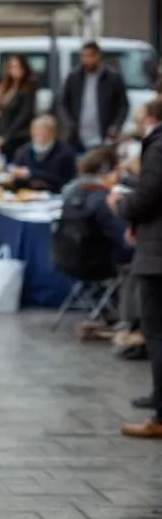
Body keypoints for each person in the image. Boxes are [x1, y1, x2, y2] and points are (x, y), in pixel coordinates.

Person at [108, 96, 162, 438]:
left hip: (157, 253)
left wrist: (121, 206)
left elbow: (149, 195)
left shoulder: (157, 146)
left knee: (157, 330)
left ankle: (160, 415)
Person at [60, 41, 129, 153]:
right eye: (84, 56)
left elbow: (123, 105)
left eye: (90, 56)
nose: (87, 60)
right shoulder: (74, 77)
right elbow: (63, 103)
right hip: (77, 136)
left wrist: (116, 125)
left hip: (103, 136)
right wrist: (69, 124)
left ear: (98, 56)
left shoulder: (112, 78)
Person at [8, 115, 76, 193]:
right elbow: (15, 169)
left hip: (55, 195)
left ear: (53, 133)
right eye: (37, 131)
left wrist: (31, 173)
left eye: (44, 131)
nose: (40, 134)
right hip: (26, 194)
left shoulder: (65, 153)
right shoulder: (23, 151)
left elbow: (63, 179)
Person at [0, 54, 38, 163]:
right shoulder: (6, 86)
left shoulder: (28, 86)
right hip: (3, 133)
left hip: (19, 135)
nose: (14, 70)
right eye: (12, 67)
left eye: (17, 66)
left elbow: (25, 113)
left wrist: (8, 134)